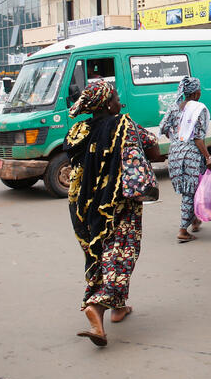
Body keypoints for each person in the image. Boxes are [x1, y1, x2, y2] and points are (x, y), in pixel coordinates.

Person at [65, 81, 165, 347]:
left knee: (100, 254)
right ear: (108, 104)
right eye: (117, 98)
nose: (120, 103)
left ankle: (119, 307)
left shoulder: (78, 130)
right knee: (120, 254)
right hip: (117, 202)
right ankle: (97, 308)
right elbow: (154, 149)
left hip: (85, 206)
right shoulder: (123, 124)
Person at [159, 76, 211, 243]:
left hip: (175, 153)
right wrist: (208, 157)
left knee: (193, 188)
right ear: (196, 93)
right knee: (190, 191)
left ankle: (195, 220)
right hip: (191, 155)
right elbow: (198, 138)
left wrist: (176, 139)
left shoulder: (174, 107)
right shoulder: (198, 109)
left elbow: (163, 127)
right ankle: (183, 230)